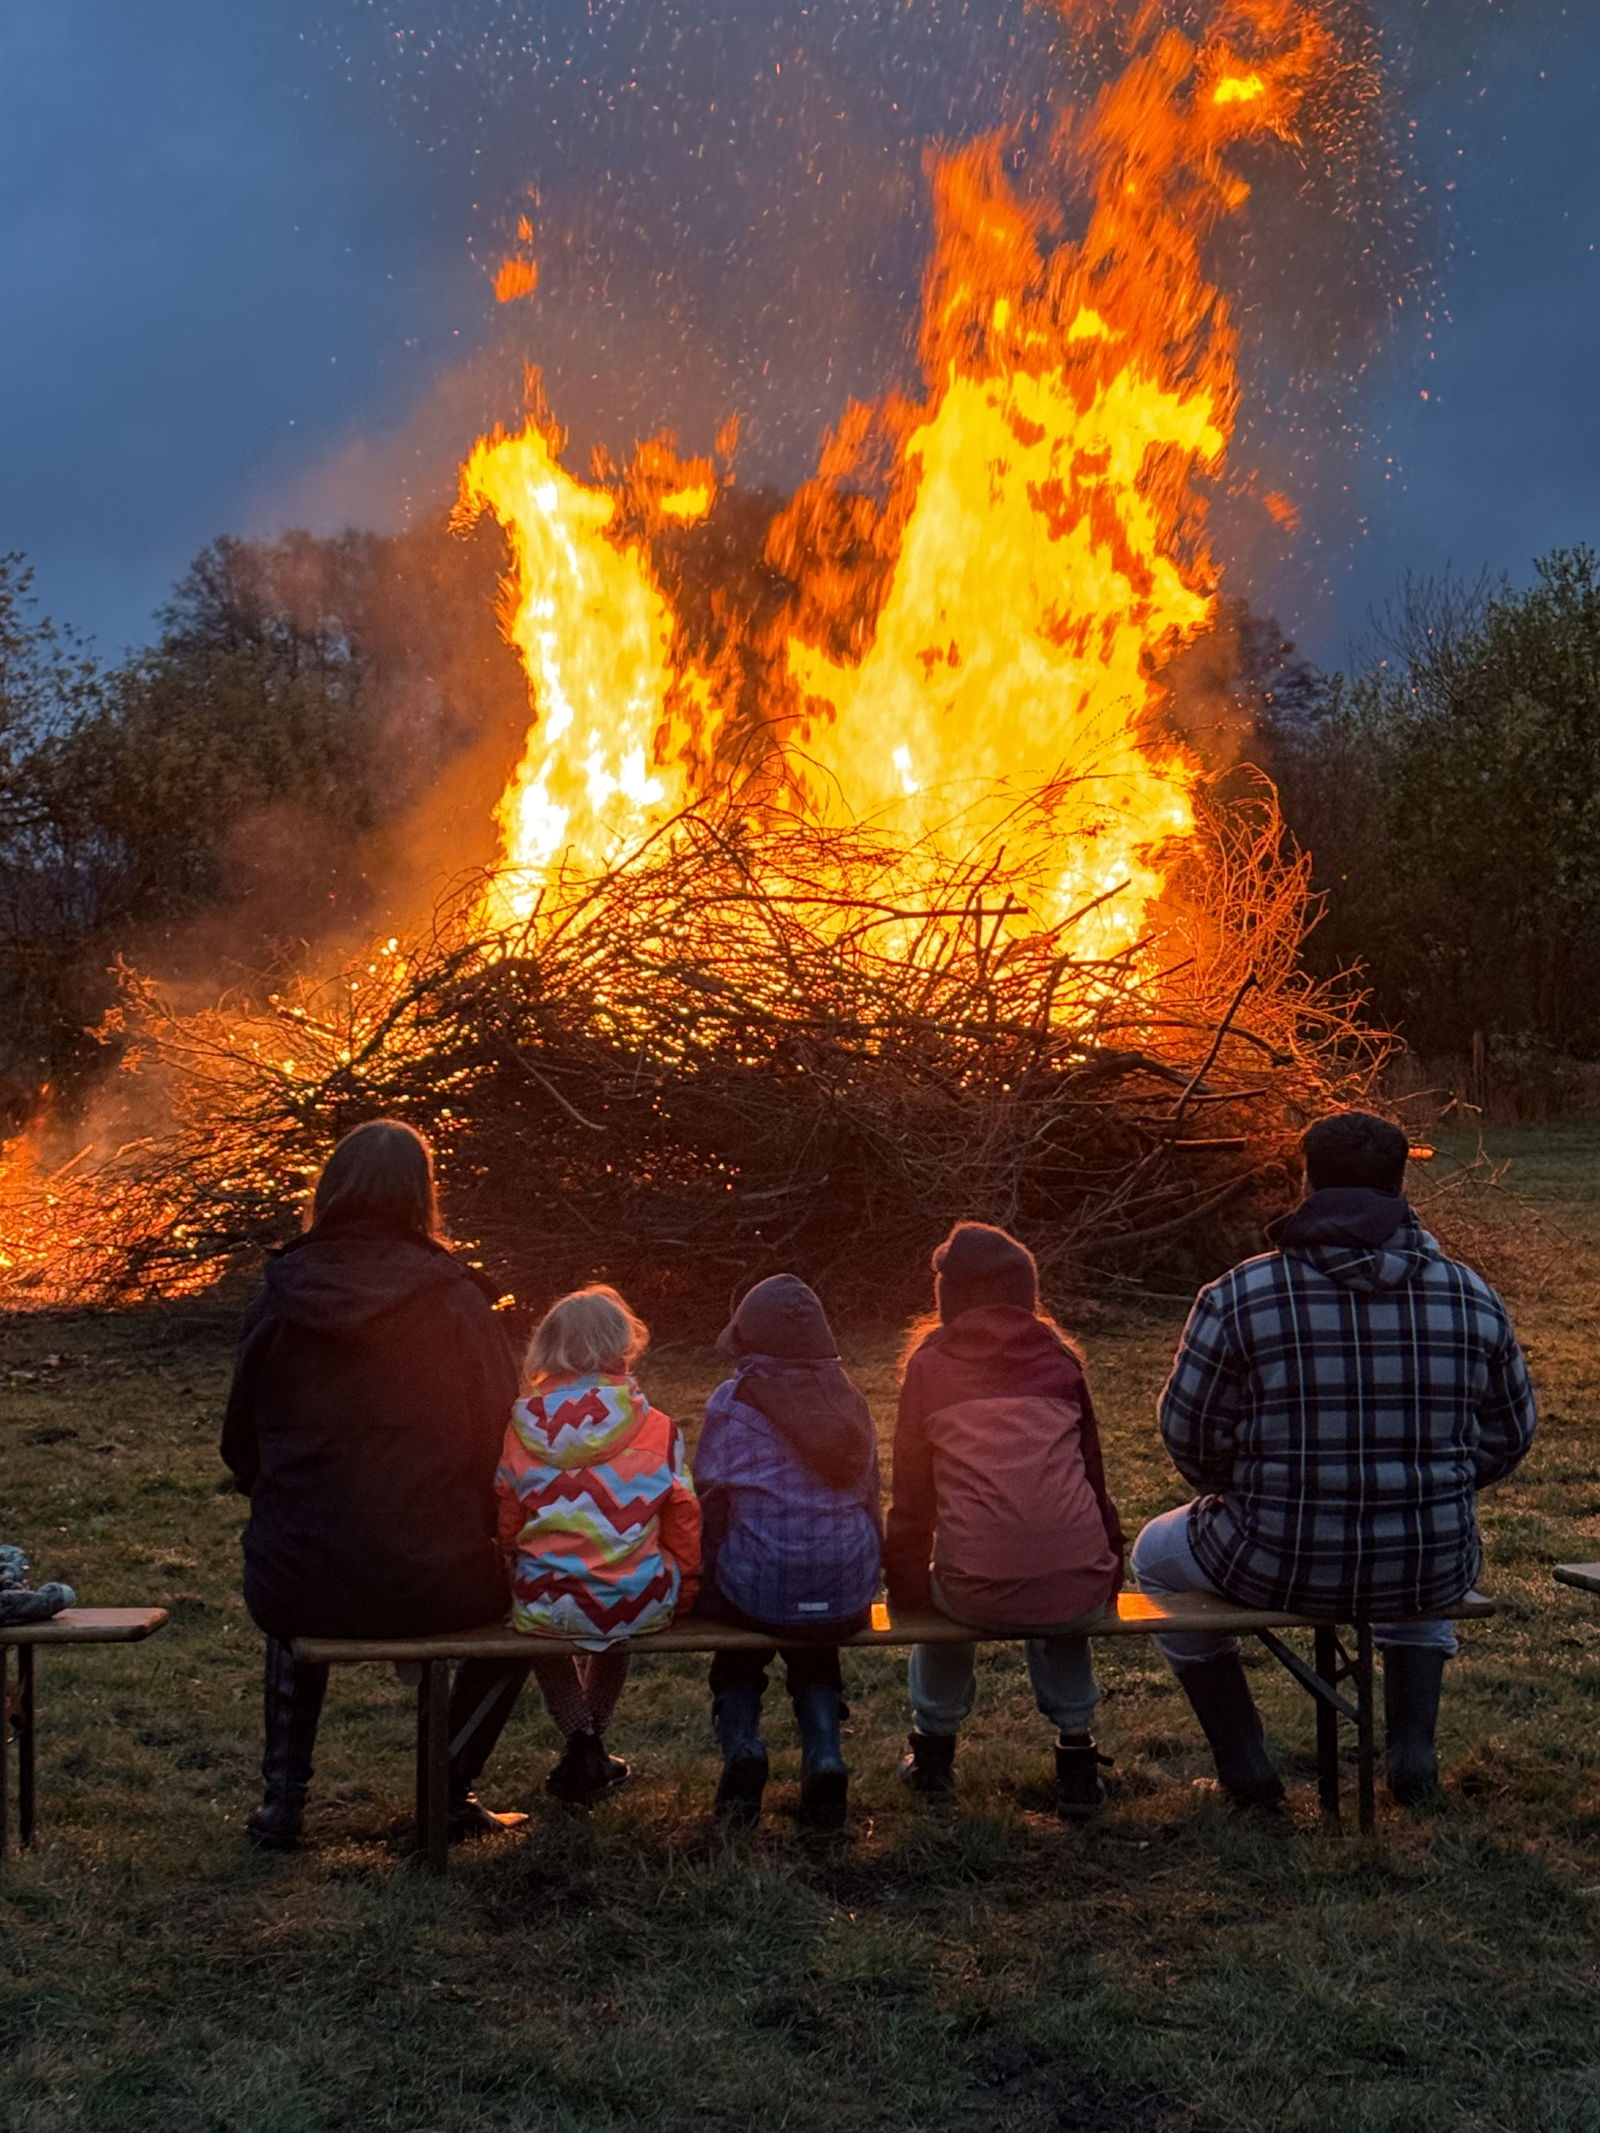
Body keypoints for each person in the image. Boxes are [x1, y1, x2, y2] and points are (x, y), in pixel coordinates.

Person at [1132, 1109, 1538, 1811]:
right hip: (1425, 1555)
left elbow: (1188, 1436)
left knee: (1151, 1555)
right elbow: (1511, 1433)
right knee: (1422, 1550)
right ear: (1401, 1181)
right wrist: (1434, 1482)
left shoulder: (1236, 1295)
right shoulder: (1474, 1296)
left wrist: (1238, 1485)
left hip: (1273, 1557)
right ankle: (1412, 1747)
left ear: (1306, 1180)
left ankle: (1244, 1764)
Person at [221, 1118, 526, 1851]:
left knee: (297, 1590)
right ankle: (446, 1787)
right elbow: (502, 1441)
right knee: (527, 1627)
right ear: (423, 1195)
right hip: (436, 1576)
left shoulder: (280, 1294)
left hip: (298, 1571)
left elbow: (239, 1442)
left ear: (330, 1189)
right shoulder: (457, 1299)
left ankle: (282, 1800)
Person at [884, 1222, 1125, 1820]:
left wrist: (908, 1586)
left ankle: (933, 1752)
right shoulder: (1062, 1362)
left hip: (974, 1592)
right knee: (1060, 1586)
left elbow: (913, 1499)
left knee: (948, 1591)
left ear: (950, 1299)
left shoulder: (929, 1369)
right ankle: (1077, 1753)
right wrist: (1110, 1563)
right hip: (1080, 1580)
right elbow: (1093, 1481)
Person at [497, 1284, 701, 1807]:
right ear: (622, 1346)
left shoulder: (519, 1426)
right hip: (638, 1596)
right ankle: (590, 1749)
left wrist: (516, 1557)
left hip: (544, 1596)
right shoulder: (657, 1427)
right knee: (619, 1615)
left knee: (545, 1620)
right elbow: (683, 1517)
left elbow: (508, 1516)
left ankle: (582, 1742)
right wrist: (686, 1582)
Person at [693, 1274, 881, 1830]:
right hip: (846, 1587)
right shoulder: (851, 1401)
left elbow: (709, 1495)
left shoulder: (732, 1404)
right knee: (814, 1642)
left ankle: (743, 1747)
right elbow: (872, 1494)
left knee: (741, 1651)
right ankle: (824, 1752)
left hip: (757, 1588)